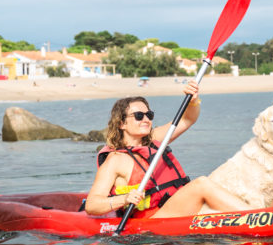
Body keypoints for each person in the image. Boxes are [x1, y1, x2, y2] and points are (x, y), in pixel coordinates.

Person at [85, 80, 238, 218]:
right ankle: (255, 218)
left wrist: (192, 101)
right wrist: (124, 199)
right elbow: (92, 205)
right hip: (152, 219)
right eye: (138, 116)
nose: (146, 119)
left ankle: (248, 214)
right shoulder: (115, 160)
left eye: (149, 115)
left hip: (172, 209)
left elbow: (187, 119)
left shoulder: (153, 140)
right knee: (201, 184)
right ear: (121, 124)